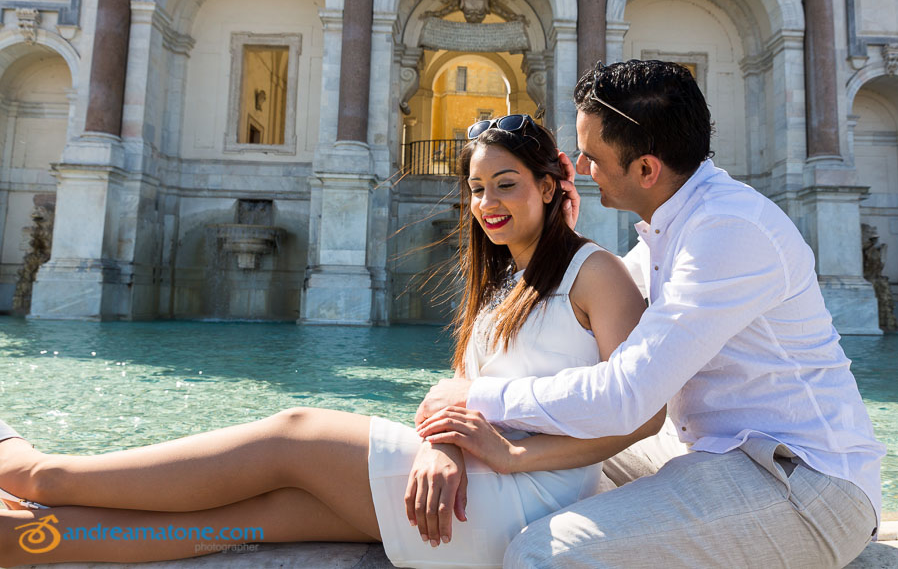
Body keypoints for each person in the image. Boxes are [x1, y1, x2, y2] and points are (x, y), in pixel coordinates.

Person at [0, 114, 665, 568]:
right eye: (478, 188)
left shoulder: (595, 271)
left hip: (514, 500)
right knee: (254, 518)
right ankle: (29, 537)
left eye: (508, 184)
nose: (488, 203)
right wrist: (449, 447)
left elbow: (647, 411)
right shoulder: (502, 281)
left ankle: (38, 472)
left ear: (551, 187)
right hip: (466, 491)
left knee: (292, 433)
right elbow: (457, 391)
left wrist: (510, 456)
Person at [414, 60, 887, 568]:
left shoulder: (728, 232)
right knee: (544, 446)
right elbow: (602, 292)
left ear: (645, 169)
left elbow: (627, 396)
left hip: (803, 486)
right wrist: (561, 231)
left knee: (543, 553)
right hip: (713, 454)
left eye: (591, 155)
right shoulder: (673, 227)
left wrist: (475, 397)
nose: (580, 166)